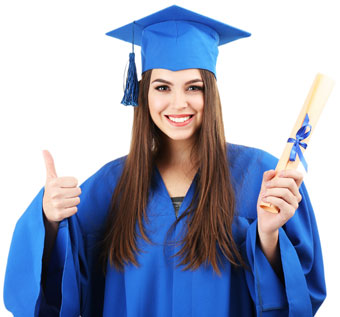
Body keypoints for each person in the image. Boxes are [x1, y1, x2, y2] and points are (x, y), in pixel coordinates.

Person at [4, 5, 326, 317]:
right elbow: (57, 292)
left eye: (193, 87)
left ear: (210, 94)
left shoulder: (261, 178)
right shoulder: (110, 186)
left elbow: (298, 301)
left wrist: (267, 236)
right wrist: (47, 220)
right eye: (162, 87)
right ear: (144, 94)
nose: (178, 103)